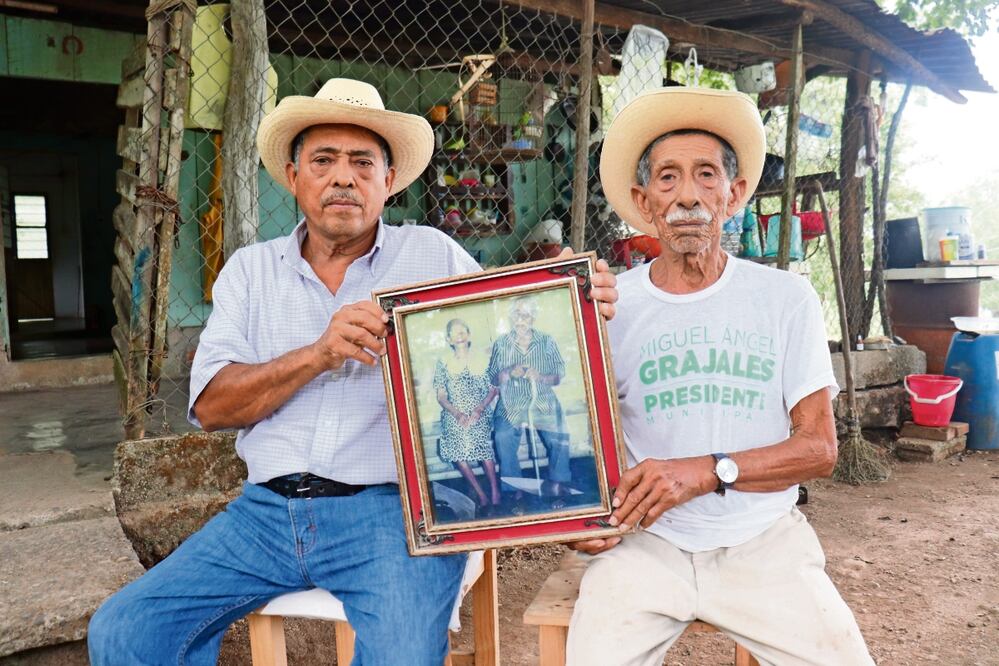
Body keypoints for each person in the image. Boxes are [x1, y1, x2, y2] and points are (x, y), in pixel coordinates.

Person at [86, 78, 618, 665]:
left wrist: (573, 300)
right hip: (262, 516)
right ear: (292, 177)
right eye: (323, 160)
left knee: (399, 657)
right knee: (125, 630)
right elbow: (212, 406)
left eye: (363, 162)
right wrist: (319, 353)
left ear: (389, 182)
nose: (343, 177)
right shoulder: (249, 271)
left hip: (390, 518)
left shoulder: (432, 256)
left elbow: (513, 343)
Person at [566, 87, 874, 665]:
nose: (687, 195)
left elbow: (819, 450)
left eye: (706, 175)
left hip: (763, 541)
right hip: (645, 544)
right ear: (643, 200)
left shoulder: (785, 298)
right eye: (667, 178)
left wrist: (709, 471)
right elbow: (567, 439)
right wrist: (572, 521)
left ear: (733, 195)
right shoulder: (608, 305)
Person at [487, 295, 572, 512]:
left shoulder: (546, 341)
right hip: (511, 402)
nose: (520, 320)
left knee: (559, 435)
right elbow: (493, 378)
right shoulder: (501, 343)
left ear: (533, 317)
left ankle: (557, 485)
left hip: (541, 399)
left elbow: (558, 375)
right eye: (516, 315)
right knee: (503, 436)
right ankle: (516, 492)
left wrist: (541, 377)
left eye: (525, 315)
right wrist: (507, 372)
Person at [433, 318, 500, 513]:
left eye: (463, 331)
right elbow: (441, 396)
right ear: (449, 339)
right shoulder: (443, 363)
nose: (459, 335)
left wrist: (479, 409)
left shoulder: (482, 358)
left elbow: (493, 390)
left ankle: (496, 493)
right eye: (454, 333)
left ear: (469, 335)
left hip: (479, 410)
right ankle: (482, 496)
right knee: (455, 445)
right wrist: (456, 413)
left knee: (480, 440)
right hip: (454, 413)